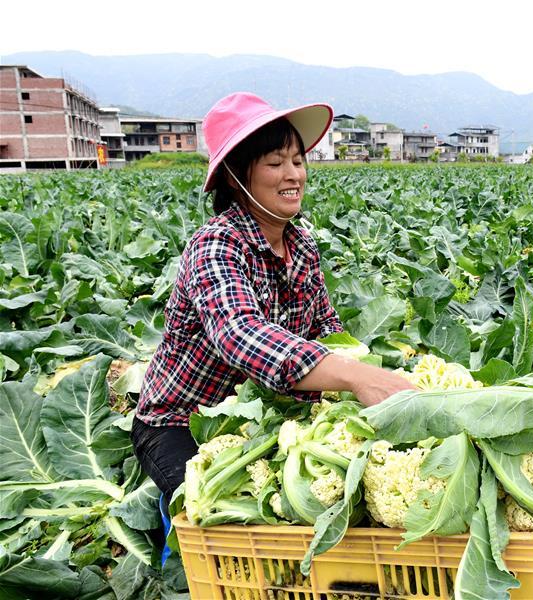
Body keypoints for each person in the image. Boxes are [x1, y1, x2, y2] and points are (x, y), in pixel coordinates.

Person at [130, 92, 415, 511]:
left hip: (266, 413)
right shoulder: (215, 246)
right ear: (234, 175)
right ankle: (173, 542)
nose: (293, 174)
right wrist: (356, 378)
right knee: (209, 510)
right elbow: (241, 334)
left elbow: (328, 331)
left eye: (298, 161)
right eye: (275, 163)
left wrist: (377, 370)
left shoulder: (301, 245)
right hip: (183, 423)